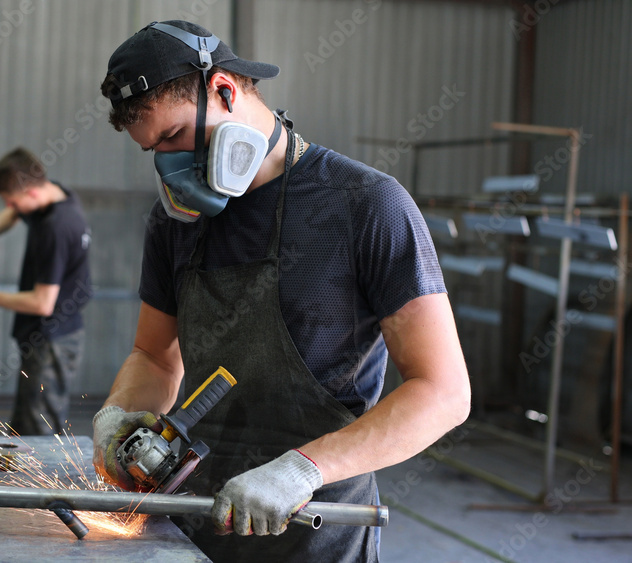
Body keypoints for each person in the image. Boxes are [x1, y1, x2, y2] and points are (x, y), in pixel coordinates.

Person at [91, 20, 471, 561]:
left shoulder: (366, 205)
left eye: (174, 137)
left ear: (223, 89)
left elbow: (443, 393)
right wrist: (118, 419)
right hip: (197, 522)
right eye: (154, 149)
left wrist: (303, 470)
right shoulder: (174, 222)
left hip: (317, 528)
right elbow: (154, 356)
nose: (171, 166)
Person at [0, 147, 92, 436]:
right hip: (45, 336)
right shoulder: (50, 197)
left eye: (10, 200)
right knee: (24, 426)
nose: (8, 206)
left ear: (30, 193)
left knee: (39, 431)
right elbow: (13, 214)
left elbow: (42, 303)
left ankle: (41, 483)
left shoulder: (57, 227)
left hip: (54, 340)